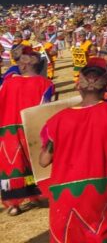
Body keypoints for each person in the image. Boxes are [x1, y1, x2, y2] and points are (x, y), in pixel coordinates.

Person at [39, 57, 107, 243]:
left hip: (64, 193)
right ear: (106, 86)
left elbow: (43, 161)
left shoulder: (56, 120)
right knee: (102, 233)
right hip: (100, 188)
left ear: (78, 87)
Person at [0, 49, 53, 215]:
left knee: (13, 166)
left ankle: (14, 204)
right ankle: (37, 195)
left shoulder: (8, 83)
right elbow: (46, 110)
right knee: (33, 164)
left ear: (23, 65)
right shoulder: (46, 84)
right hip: (31, 129)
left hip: (9, 130)